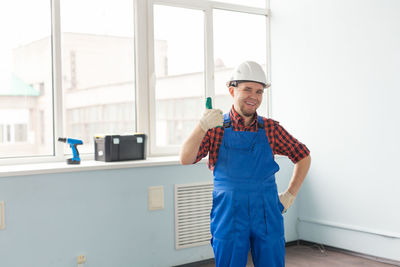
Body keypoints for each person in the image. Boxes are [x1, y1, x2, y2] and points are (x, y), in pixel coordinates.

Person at [180, 61, 311, 267]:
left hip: (267, 211)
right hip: (229, 213)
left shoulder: (270, 128)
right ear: (232, 91)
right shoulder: (215, 128)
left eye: (259, 91)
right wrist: (201, 126)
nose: (254, 97)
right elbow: (186, 158)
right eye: (247, 89)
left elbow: (303, 155)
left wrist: (290, 195)